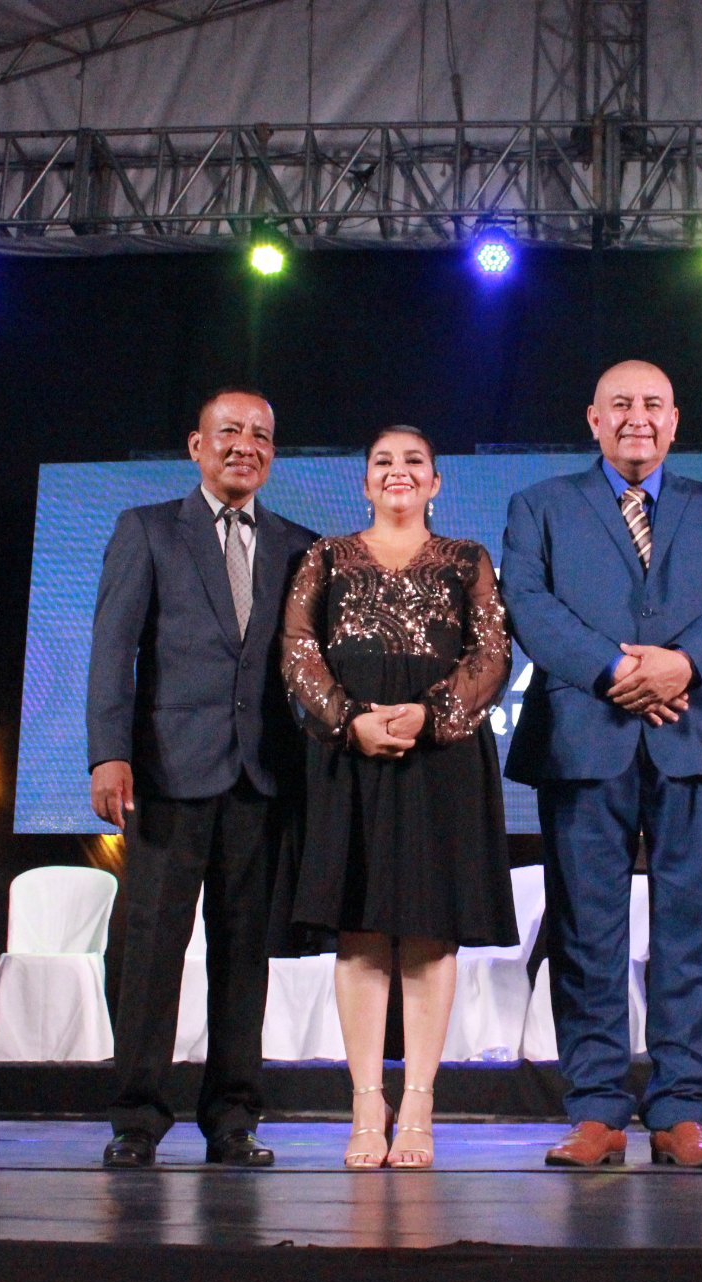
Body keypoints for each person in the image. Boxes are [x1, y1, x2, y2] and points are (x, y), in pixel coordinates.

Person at [503, 360, 702, 1169]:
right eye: (620, 404)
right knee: (586, 930)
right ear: (593, 418)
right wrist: (615, 669)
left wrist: (682, 664)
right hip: (584, 735)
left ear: (674, 420)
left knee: (695, 933)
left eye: (653, 404)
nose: (637, 418)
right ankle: (596, 1109)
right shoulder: (540, 506)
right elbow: (528, 601)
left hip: (697, 734)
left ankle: (681, 1109)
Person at [86, 387, 318, 1170]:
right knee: (151, 950)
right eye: (229, 431)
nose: (244, 445)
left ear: (273, 454)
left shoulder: (298, 545)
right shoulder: (148, 529)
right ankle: (136, 1118)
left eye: (261, 435)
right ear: (196, 445)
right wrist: (108, 752)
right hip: (166, 775)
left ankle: (233, 1118)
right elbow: (113, 648)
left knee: (244, 954)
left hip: (261, 777)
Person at [281, 425, 515, 1170]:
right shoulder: (324, 557)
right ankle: (364, 1105)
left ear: (436, 482)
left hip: (440, 757)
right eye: (383, 461)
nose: (398, 471)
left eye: (414, 461)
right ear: (365, 481)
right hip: (350, 757)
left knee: (428, 934)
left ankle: (417, 1103)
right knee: (359, 933)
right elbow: (297, 649)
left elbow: (493, 652)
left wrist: (432, 714)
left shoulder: (468, 560)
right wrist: (348, 719)